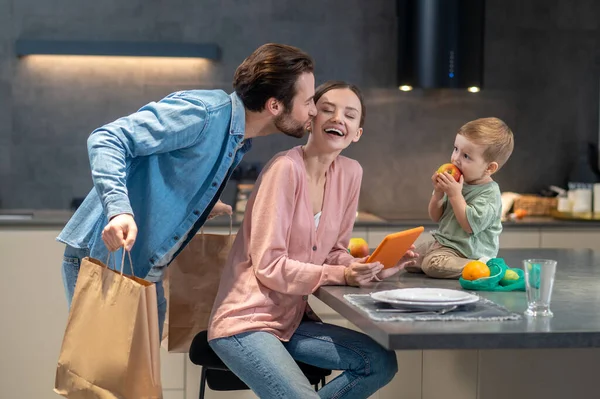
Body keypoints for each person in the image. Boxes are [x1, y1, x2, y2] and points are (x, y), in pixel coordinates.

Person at [56, 43, 317, 338]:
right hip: (106, 261)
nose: (314, 110)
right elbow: (107, 139)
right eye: (308, 101)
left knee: (138, 381)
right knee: (100, 379)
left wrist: (199, 204)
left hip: (143, 270)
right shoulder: (204, 113)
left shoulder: (236, 138)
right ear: (274, 105)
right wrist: (119, 211)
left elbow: (170, 171)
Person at [208, 81, 418, 398]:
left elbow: (335, 252)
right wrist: (342, 273)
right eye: (327, 110)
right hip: (246, 320)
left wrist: (374, 265)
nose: (338, 119)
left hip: (292, 321)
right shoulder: (284, 169)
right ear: (310, 119)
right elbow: (269, 266)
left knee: (379, 362)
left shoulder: (350, 173)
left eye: (350, 115)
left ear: (357, 132)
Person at [407, 117, 515, 278]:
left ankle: (484, 267)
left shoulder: (489, 193)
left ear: (489, 168)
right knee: (408, 259)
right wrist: (438, 193)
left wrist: (454, 194)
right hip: (445, 243)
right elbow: (435, 216)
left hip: (468, 252)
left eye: (466, 156)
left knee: (432, 264)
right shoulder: (456, 182)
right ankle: (445, 261)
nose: (456, 158)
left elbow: (469, 226)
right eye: (456, 149)